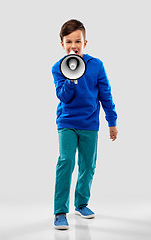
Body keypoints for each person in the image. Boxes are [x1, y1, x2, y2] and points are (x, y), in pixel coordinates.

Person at [52, 19, 118, 230]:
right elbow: (63, 97)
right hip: (67, 123)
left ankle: (81, 204)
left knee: (88, 165)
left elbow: (105, 95)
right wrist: (72, 78)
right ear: (62, 44)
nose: (73, 46)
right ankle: (60, 211)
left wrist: (112, 121)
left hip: (90, 123)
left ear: (85, 42)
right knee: (66, 162)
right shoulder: (58, 68)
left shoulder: (97, 65)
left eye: (77, 41)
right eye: (69, 41)